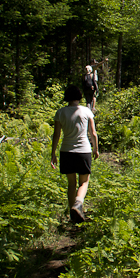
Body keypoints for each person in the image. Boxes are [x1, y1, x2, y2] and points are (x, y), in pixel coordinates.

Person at [50, 85, 99, 223]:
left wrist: (53, 153)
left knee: (71, 184)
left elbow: (56, 135)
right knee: (84, 182)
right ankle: (78, 203)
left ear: (66, 97)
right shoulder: (86, 111)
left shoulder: (60, 112)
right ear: (79, 96)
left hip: (66, 151)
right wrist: (96, 149)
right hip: (83, 150)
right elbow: (93, 133)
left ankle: (72, 214)